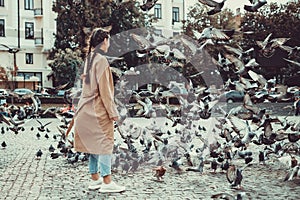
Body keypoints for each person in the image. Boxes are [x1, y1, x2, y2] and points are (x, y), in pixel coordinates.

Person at [73, 26, 125, 193]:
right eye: (108, 39)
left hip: (84, 111)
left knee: (93, 146)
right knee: (104, 145)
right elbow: (106, 92)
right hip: (97, 112)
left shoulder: (89, 59)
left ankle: (95, 179)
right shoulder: (101, 60)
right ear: (104, 41)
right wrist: (113, 113)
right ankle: (107, 182)